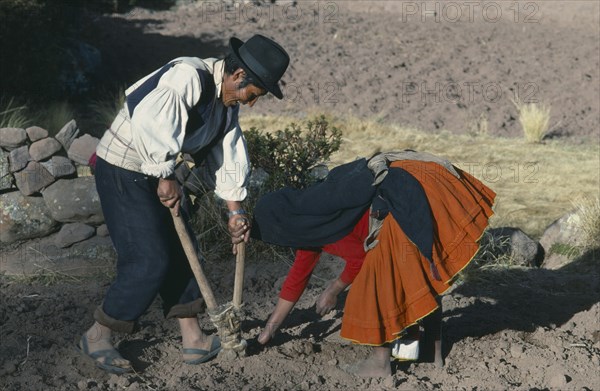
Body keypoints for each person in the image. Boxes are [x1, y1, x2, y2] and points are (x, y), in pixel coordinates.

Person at [78, 35, 290, 374]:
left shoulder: (226, 108)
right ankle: (98, 334)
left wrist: (235, 212)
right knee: (149, 259)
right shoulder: (189, 76)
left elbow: (228, 156)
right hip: (123, 167)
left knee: (185, 249)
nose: (251, 103)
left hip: (158, 172)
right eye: (254, 94)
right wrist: (165, 174)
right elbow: (151, 121)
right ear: (238, 76)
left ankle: (194, 340)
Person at [253, 151, 496, 377]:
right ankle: (432, 354)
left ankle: (380, 364)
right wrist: (270, 329)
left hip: (403, 204)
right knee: (422, 283)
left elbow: (360, 257)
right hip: (413, 187)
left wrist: (334, 289)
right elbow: (297, 279)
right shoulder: (310, 219)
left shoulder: (320, 225)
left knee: (368, 290)